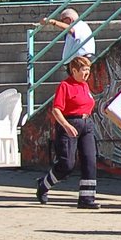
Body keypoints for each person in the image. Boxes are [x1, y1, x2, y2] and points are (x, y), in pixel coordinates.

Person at [36, 55, 100, 208]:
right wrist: (66, 125)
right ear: (74, 70)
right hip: (69, 124)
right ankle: (43, 185)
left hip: (86, 124)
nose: (87, 74)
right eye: (84, 71)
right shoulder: (65, 86)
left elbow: (88, 103)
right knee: (67, 164)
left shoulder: (84, 85)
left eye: (88, 70)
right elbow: (56, 110)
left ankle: (87, 199)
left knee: (90, 160)